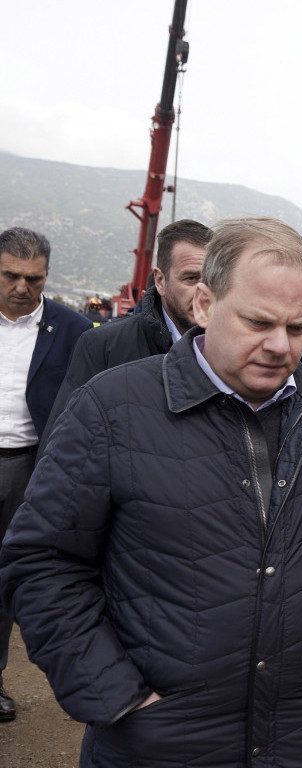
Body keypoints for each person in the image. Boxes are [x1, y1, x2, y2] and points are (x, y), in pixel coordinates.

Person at [0, 217, 302, 766]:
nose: (281, 346)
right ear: (204, 304)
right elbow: (42, 564)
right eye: (259, 322)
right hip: (157, 741)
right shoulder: (111, 407)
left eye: (298, 328)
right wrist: (121, 698)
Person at [0, 226, 92, 723]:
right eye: (11, 275)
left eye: (33, 279)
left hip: (30, 468)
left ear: (46, 277)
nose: (21, 287)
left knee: (8, 580)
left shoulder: (72, 329)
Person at [47, 219, 213, 429]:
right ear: (160, 281)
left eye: (210, 280)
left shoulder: (234, 349)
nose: (202, 292)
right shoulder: (103, 346)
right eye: (190, 278)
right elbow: (66, 441)